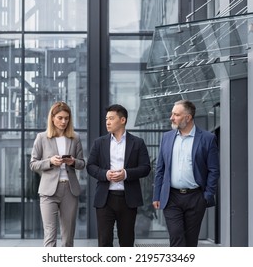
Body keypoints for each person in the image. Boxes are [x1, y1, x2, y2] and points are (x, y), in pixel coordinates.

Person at [152, 99, 220, 247]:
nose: (171, 118)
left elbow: (214, 170)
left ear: (188, 118)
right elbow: (160, 169)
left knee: (190, 241)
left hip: (195, 198)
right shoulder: (167, 138)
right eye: (172, 114)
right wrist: (157, 195)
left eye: (176, 114)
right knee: (176, 237)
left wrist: (207, 195)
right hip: (171, 197)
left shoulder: (208, 139)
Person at [86, 104, 151, 247]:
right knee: (104, 242)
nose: (107, 122)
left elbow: (146, 168)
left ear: (122, 120)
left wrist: (126, 174)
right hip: (105, 198)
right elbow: (90, 166)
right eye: (106, 119)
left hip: (128, 199)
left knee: (127, 242)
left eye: (111, 118)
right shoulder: (99, 143)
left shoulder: (138, 143)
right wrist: (105, 174)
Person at [30, 101, 85, 247]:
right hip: (48, 191)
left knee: (68, 237)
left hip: (70, 190)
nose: (63, 121)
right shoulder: (42, 137)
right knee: (50, 235)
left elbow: (82, 163)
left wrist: (72, 162)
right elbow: (33, 164)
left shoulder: (75, 138)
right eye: (60, 118)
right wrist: (50, 161)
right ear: (52, 118)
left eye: (66, 118)